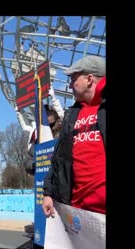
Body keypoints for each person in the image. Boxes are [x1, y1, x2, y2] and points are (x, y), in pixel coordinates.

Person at [43, 55, 106, 218]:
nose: (70, 85)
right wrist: (48, 193)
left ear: (89, 79)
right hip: (77, 211)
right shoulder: (72, 115)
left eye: (73, 79)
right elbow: (58, 158)